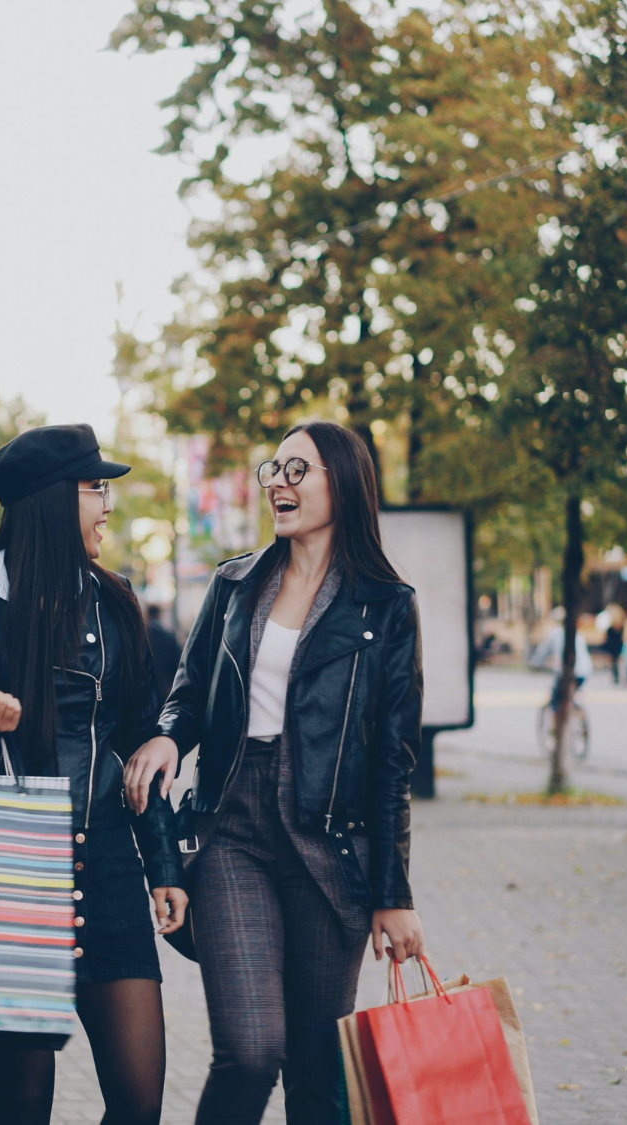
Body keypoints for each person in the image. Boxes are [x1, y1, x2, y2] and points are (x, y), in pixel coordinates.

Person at [121, 421, 425, 1125]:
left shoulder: (386, 607)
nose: (279, 483)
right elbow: (191, 690)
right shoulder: (236, 583)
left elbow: (391, 762)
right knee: (252, 1050)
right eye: (275, 469)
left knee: (318, 1074)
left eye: (299, 470)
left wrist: (394, 892)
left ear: (342, 484)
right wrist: (169, 738)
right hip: (235, 828)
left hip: (332, 844)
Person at [0, 423, 186, 1125]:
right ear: (53, 500)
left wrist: (165, 866)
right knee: (25, 1105)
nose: (107, 505)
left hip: (111, 869)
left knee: (139, 1101)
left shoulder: (116, 601)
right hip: (14, 874)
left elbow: (140, 742)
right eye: (96, 488)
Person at [529, 609, 593, 710]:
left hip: (568, 671)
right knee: (570, 692)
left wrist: (535, 663)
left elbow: (542, 652)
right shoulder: (577, 633)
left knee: (556, 699)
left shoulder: (555, 634)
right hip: (585, 671)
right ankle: (574, 711)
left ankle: (558, 721)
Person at [146, 604, 184, 705]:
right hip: (164, 688)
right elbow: (177, 664)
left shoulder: (142, 636)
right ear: (159, 615)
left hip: (145, 688)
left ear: (148, 615)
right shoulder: (169, 635)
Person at [597, 604, 626, 684]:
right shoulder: (621, 622)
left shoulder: (610, 623)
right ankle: (617, 676)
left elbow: (605, 634)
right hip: (618, 644)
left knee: (612, 661)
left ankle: (614, 676)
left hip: (611, 644)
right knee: (616, 661)